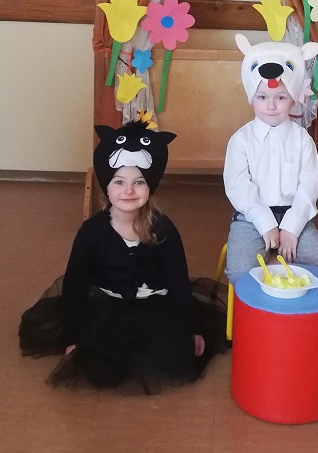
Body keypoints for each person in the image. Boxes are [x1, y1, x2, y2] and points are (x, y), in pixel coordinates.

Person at [19, 119, 225, 392]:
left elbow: (178, 282)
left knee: (177, 360)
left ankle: (141, 349)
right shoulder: (92, 232)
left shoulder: (163, 229)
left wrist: (192, 329)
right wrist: (74, 336)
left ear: (150, 186)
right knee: (99, 373)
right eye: (119, 182)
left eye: (139, 182)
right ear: (107, 188)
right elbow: (75, 285)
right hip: (108, 307)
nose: (129, 190)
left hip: (156, 305)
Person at [222, 33, 318, 285]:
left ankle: (296, 305)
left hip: (295, 215)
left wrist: (292, 227)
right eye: (262, 97)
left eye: (280, 97)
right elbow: (238, 186)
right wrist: (265, 223)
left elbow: (310, 184)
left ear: (293, 99)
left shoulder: (302, 139)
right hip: (250, 219)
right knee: (240, 273)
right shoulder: (240, 140)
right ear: (251, 97)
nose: (271, 106)